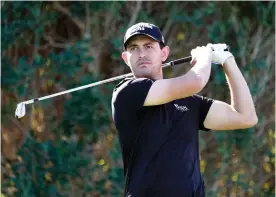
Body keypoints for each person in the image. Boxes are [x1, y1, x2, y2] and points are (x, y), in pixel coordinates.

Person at [111, 22, 258, 197]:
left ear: (164, 53)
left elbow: (246, 117)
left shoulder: (189, 103)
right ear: (126, 58)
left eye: (149, 46)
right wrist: (204, 57)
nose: (142, 54)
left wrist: (227, 60)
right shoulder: (127, 92)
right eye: (134, 48)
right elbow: (195, 81)